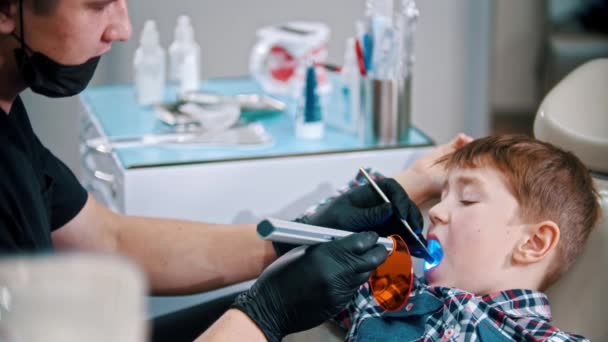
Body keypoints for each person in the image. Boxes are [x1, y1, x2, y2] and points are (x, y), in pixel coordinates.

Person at [0, 0, 473, 340]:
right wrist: (265, 314)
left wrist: (298, 234)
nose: (122, 27)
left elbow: (107, 239)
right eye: (97, 5)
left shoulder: (9, 115)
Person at [323, 135, 601, 341]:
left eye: (467, 200)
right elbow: (315, 240)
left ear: (533, 243)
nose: (435, 211)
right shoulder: (388, 295)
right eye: (441, 196)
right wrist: (417, 179)